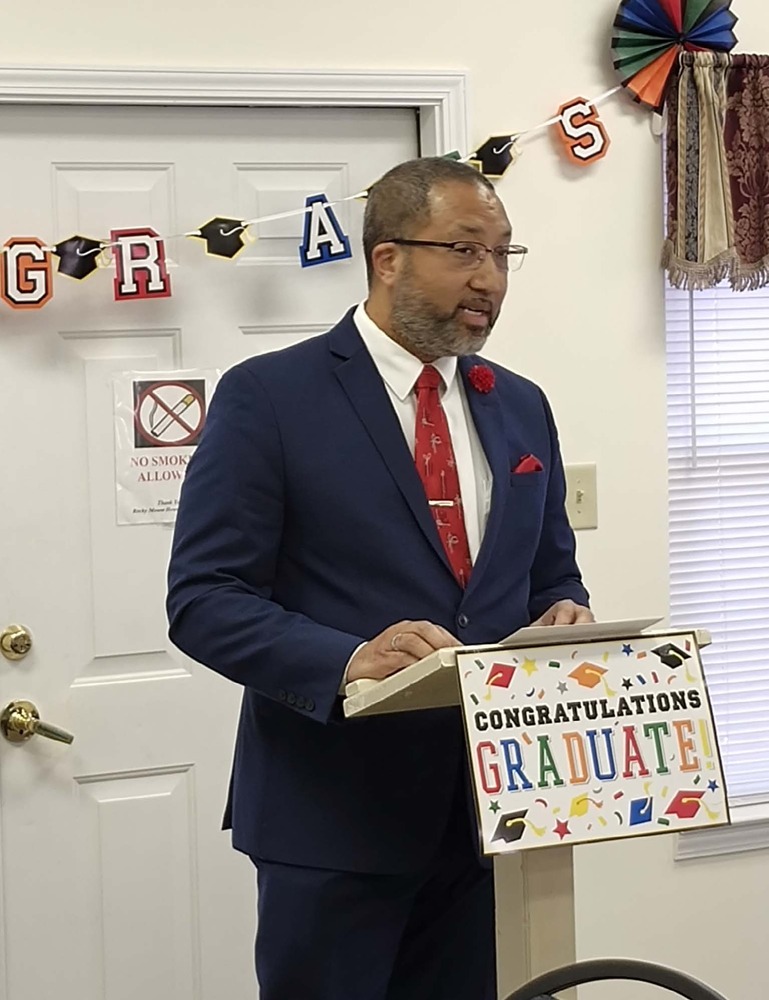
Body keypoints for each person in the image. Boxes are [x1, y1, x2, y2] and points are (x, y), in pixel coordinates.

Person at [166, 156, 592, 1000]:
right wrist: (349, 657)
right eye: (465, 252)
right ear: (386, 257)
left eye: (505, 255)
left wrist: (565, 618)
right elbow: (204, 599)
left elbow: (550, 578)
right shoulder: (269, 397)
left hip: (491, 814)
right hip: (332, 823)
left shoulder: (520, 403)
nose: (490, 280)